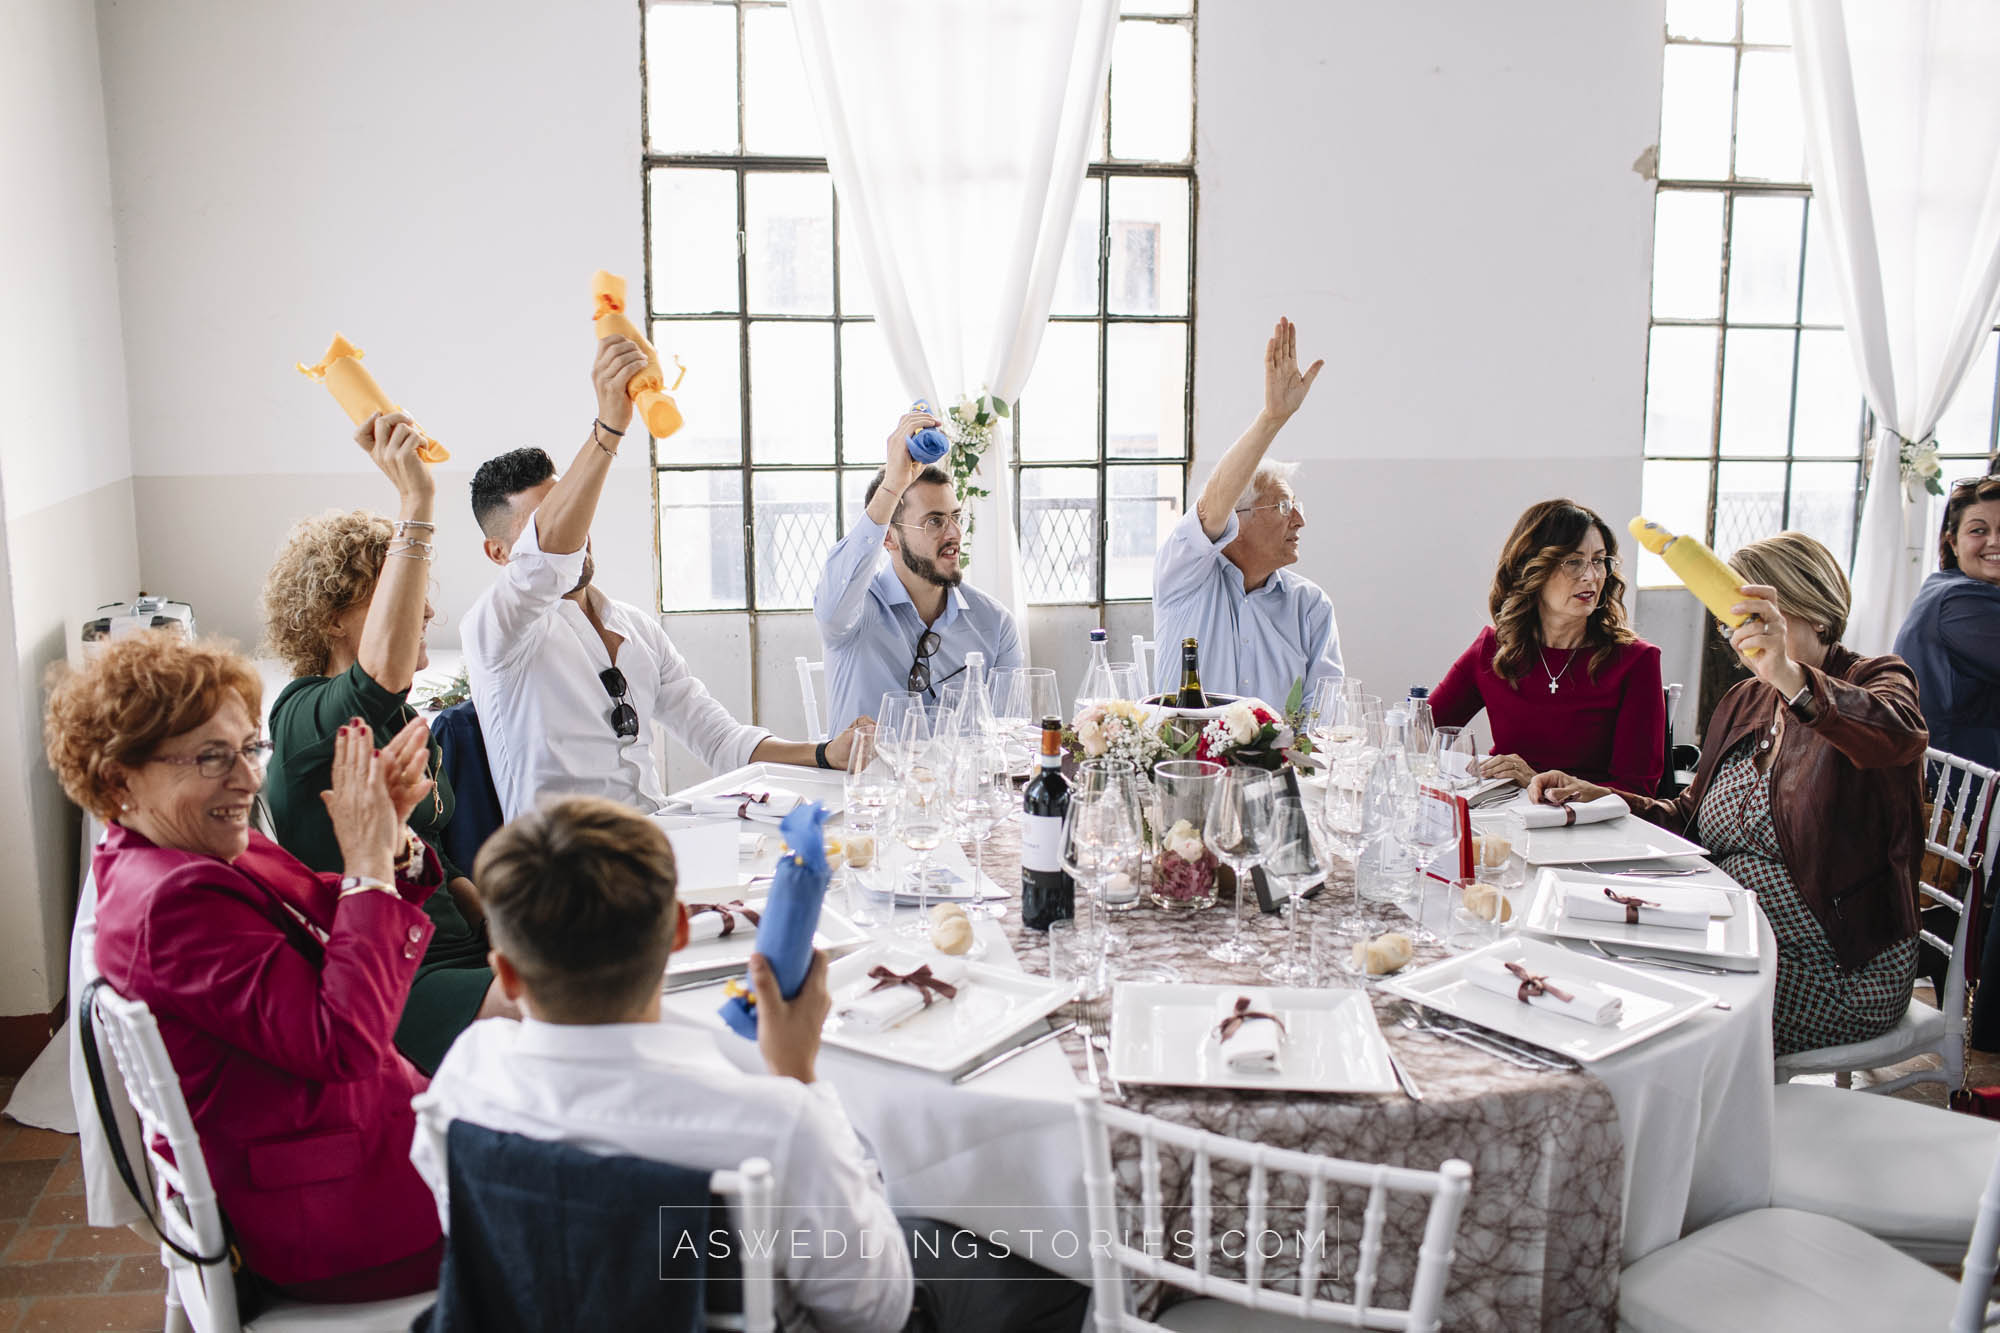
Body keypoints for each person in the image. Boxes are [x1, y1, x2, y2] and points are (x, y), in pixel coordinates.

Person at [413, 797, 1088, 1333]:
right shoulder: (773, 1122)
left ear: (503, 970)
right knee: (1046, 1266)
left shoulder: (467, 1074)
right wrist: (796, 1074)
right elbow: (876, 1312)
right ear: (679, 930)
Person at [46, 634, 445, 1302]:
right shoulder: (171, 901)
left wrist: (389, 838)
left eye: (248, 747)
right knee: (611, 1211)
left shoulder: (189, 847)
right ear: (119, 778)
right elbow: (342, 1039)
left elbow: (330, 911)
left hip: (364, 1142)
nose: (249, 778)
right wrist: (369, 864)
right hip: (340, 1214)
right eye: (211, 757)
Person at [1532, 532, 1926, 1057]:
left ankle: (1696, 1134)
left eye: (1749, 614)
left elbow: (1898, 737)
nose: (1737, 633)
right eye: (1730, 618)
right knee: (1586, 962)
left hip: (1838, 963)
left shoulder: (1877, 679)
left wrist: (1789, 674)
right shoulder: (1746, 699)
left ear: (1807, 606)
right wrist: (1602, 797)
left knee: (1660, 1028)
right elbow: (1689, 817)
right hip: (1725, 932)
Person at [462, 336, 865, 820]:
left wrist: (825, 753)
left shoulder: (637, 628)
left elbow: (721, 741)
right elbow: (546, 563)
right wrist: (609, 429)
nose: (576, 528)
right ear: (500, 553)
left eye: (572, 506)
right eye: (545, 520)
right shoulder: (494, 633)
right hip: (561, 875)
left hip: (657, 843)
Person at [261, 410, 513, 1074]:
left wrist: (493, 918)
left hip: (453, 947)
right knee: (579, 1005)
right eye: (404, 591)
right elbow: (378, 676)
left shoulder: (400, 716)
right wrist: (417, 502)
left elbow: (433, 849)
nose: (427, 607)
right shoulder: (303, 716)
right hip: (396, 978)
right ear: (337, 614)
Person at [1151, 317, 1341, 707]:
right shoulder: (1185, 577)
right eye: (1285, 507)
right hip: (1189, 767)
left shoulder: (1310, 607)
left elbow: (1324, 717)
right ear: (1238, 519)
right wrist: (1273, 419)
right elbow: (1213, 502)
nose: (1300, 520)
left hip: (1281, 769)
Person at [1430, 499, 1663, 793]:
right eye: (1574, 561)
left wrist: (1535, 780)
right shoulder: (1493, 647)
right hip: (1504, 816)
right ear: (1532, 569)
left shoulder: (1636, 661)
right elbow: (1421, 734)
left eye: (1599, 560)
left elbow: (1638, 793)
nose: (1591, 576)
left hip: (1591, 830)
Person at [813, 408, 1022, 732]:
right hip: (869, 782)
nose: (954, 533)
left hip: (961, 783)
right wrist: (893, 484)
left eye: (956, 517)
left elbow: (1008, 737)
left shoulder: (994, 624)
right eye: (934, 521)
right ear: (889, 538)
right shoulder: (853, 614)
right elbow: (831, 603)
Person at [1893, 473, 2000, 774]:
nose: (1995, 541)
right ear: (1952, 542)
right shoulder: (1960, 601)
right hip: (1965, 794)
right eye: (1978, 530)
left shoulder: (1948, 586)